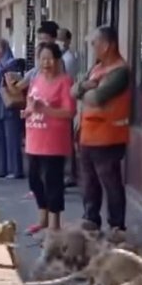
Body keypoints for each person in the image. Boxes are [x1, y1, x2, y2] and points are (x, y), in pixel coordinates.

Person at [75, 26, 132, 236]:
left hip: (109, 137)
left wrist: (86, 89)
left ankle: (117, 226)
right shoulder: (96, 68)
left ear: (107, 45)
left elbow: (97, 98)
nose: (92, 47)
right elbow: (75, 90)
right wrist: (87, 87)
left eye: (95, 43)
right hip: (88, 135)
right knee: (89, 183)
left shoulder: (120, 71)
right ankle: (91, 221)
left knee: (111, 183)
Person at [23, 42, 77, 234]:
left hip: (54, 141)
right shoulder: (36, 80)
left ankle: (55, 224)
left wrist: (45, 110)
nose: (46, 63)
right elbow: (31, 104)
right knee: (34, 181)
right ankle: (42, 219)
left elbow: (69, 112)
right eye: (42, 59)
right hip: (34, 138)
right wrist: (27, 112)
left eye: (50, 59)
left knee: (53, 182)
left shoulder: (65, 82)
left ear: (57, 60)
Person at [0, 39, 25, 179]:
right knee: (0, 137)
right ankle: (2, 169)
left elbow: (14, 83)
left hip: (9, 101)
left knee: (12, 137)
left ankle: (16, 170)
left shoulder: (11, 64)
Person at [57, 27, 80, 188]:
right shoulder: (60, 57)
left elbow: (66, 81)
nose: (59, 41)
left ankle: (70, 174)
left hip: (66, 103)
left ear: (68, 40)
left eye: (61, 38)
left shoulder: (68, 59)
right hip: (59, 105)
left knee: (67, 140)